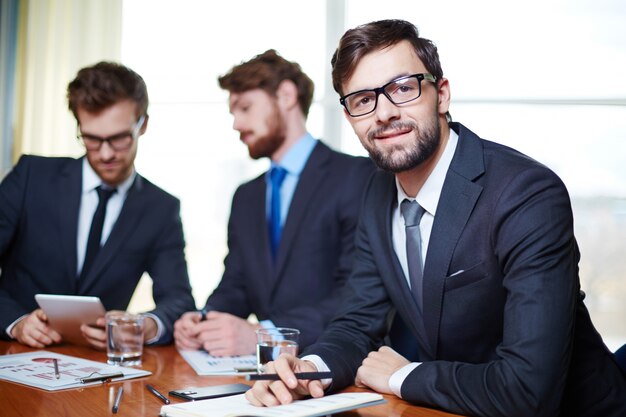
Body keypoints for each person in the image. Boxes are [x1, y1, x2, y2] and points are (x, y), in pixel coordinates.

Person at [246, 20, 626, 417]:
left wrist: (403, 376)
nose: (385, 113)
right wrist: (309, 369)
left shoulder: (526, 193)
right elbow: (358, 321)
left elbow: (529, 389)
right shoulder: (376, 193)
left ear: (441, 95)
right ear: (350, 118)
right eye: (362, 100)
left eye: (404, 88)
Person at [173, 50, 374, 356]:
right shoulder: (246, 196)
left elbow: (356, 294)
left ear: (286, 95)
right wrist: (204, 320)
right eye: (232, 113)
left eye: (245, 107)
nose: (236, 124)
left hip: (333, 365)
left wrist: (265, 334)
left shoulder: (356, 177)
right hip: (261, 376)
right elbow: (236, 285)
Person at [0, 61, 195, 349]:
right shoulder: (31, 176)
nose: (105, 154)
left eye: (118, 139)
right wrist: (15, 322)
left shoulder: (161, 208)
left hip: (98, 367)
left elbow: (179, 299)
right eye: (91, 139)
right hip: (13, 355)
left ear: (143, 124)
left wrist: (144, 326)